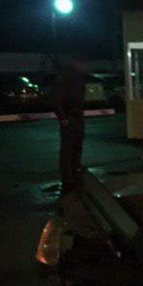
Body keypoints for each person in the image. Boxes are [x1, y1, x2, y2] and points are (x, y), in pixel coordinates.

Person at [52, 56, 87, 194]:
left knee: (76, 147)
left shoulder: (76, 82)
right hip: (71, 118)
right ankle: (68, 179)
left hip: (77, 117)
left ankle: (74, 174)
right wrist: (63, 118)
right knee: (68, 149)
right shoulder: (62, 82)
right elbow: (56, 101)